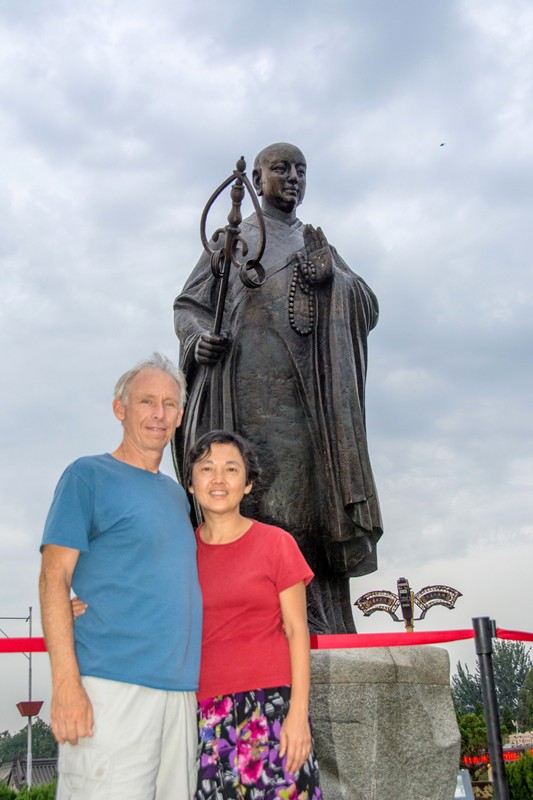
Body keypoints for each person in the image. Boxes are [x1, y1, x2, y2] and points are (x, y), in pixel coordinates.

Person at [173, 142, 383, 635]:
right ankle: (254, 617)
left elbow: (367, 303)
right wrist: (199, 340)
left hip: (306, 404)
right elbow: (189, 306)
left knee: (310, 501)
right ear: (258, 178)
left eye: (300, 171)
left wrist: (332, 281)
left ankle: (319, 619)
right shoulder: (232, 240)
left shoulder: (315, 243)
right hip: (241, 397)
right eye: (281, 169)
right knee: (254, 500)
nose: (292, 178)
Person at [39, 353, 202, 800]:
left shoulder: (177, 496)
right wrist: (65, 684)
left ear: (180, 416)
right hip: (111, 689)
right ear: (120, 408)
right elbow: (53, 578)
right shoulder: (87, 476)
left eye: (169, 404)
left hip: (179, 693)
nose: (159, 414)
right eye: (147, 401)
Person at [186, 429, 322, 799]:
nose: (218, 479)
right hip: (203, 714)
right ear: (191, 483)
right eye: (206, 468)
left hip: (273, 707)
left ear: (247, 484)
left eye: (231, 469)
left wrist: (298, 715)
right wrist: (89, 604)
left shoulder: (277, 544)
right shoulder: (180, 554)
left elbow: (297, 631)